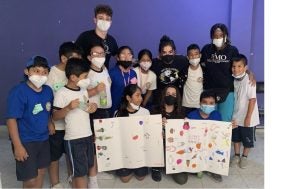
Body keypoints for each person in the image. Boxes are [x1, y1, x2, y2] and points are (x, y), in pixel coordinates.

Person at [6, 56, 53, 188]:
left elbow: (47, 109)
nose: (41, 75)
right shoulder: (18, 92)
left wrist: (49, 122)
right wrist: (18, 146)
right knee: (30, 180)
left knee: (41, 171)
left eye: (44, 72)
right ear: (27, 71)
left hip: (43, 139)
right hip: (25, 140)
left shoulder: (48, 91)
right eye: (36, 71)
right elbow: (11, 120)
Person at [52, 58, 97, 188]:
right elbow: (55, 116)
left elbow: (86, 108)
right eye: (84, 77)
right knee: (79, 172)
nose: (87, 80)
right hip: (74, 139)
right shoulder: (62, 93)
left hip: (87, 135)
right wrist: (68, 108)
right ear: (73, 77)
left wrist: (92, 107)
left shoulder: (83, 91)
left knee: (88, 165)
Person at [46, 41, 82, 188]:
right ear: (63, 59)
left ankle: (71, 176)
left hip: (72, 123)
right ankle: (55, 183)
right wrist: (49, 121)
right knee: (54, 156)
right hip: (56, 124)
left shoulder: (75, 73)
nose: (77, 62)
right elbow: (45, 100)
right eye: (74, 59)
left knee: (70, 153)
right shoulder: (51, 73)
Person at [200, 23, 241, 122]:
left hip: (227, 91)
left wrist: (250, 73)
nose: (218, 38)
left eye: (221, 35)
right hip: (209, 90)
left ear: (225, 36)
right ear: (211, 36)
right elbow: (198, 64)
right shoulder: (206, 49)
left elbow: (239, 66)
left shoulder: (233, 50)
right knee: (208, 121)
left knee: (225, 122)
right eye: (215, 36)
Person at [86, 42, 113, 187]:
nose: (99, 56)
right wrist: (95, 90)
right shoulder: (87, 73)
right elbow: (81, 94)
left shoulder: (105, 69)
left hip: (105, 110)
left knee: (102, 142)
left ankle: (100, 169)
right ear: (89, 57)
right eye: (95, 54)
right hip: (94, 112)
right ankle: (92, 178)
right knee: (94, 144)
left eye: (102, 54)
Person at [151, 85, 188, 185]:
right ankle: (156, 167)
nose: (170, 96)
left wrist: (186, 125)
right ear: (163, 95)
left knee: (182, 180)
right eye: (168, 94)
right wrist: (158, 126)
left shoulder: (181, 112)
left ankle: (170, 164)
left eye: (173, 94)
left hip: (175, 146)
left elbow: (184, 134)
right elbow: (149, 132)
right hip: (159, 145)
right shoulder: (155, 110)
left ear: (177, 97)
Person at [114, 84, 149, 183]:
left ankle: (137, 167)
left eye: (141, 95)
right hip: (125, 152)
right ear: (128, 98)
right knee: (124, 179)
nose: (141, 98)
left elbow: (149, 133)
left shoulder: (145, 112)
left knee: (140, 177)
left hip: (140, 152)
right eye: (137, 95)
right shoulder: (118, 113)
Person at [230, 54, 259, 169]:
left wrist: (248, 118)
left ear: (245, 68)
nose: (236, 69)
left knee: (247, 139)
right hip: (237, 115)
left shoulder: (249, 81)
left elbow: (252, 100)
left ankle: (245, 156)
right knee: (236, 137)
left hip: (248, 117)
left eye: (239, 66)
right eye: (234, 66)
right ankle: (236, 155)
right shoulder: (235, 80)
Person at [187, 90, 223, 182]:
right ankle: (198, 167)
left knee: (219, 148)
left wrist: (229, 127)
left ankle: (214, 169)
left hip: (211, 143)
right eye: (205, 102)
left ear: (215, 104)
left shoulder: (217, 115)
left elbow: (220, 132)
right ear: (200, 103)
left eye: (211, 103)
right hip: (196, 144)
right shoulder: (191, 115)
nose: (208, 105)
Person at [150, 35, 189, 109]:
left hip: (177, 100)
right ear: (160, 53)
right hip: (160, 101)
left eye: (170, 52)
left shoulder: (182, 60)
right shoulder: (155, 63)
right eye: (164, 52)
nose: (167, 55)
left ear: (174, 52)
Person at [76, 4, 118, 69]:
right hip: (85, 75)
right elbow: (75, 56)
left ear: (110, 22)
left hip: (103, 75)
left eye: (107, 19)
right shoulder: (85, 37)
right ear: (95, 20)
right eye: (101, 18)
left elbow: (119, 57)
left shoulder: (112, 40)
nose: (104, 21)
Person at [109, 46, 138, 116]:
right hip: (114, 110)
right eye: (123, 54)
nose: (126, 57)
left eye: (129, 54)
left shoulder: (133, 73)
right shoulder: (112, 73)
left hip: (129, 110)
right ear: (118, 58)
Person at [182, 44, 203, 115]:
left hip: (200, 105)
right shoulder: (184, 70)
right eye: (191, 55)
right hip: (186, 105)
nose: (194, 57)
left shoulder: (205, 70)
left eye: (196, 54)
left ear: (200, 55)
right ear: (187, 57)